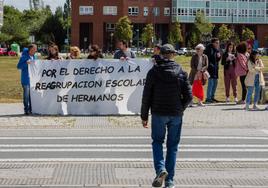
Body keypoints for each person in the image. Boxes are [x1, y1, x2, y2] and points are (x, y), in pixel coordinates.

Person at [141, 44, 192, 188]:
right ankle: (170, 181)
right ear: (173, 55)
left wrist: (144, 115)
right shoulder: (181, 71)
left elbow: (146, 96)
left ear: (161, 54)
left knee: (157, 142)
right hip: (176, 114)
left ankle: (160, 169)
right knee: (172, 146)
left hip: (158, 112)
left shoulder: (153, 72)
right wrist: (180, 108)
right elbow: (189, 96)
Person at [17, 44, 37, 115]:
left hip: (33, 80)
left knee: (32, 96)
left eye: (36, 49)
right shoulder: (24, 57)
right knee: (26, 96)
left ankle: (32, 109)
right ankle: (26, 109)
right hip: (25, 79)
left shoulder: (35, 56)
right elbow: (18, 66)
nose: (35, 50)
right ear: (30, 49)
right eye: (34, 49)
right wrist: (26, 63)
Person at [205, 38, 221, 103]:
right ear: (213, 43)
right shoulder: (209, 49)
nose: (218, 44)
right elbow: (207, 58)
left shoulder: (216, 50)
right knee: (211, 83)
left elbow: (217, 60)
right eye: (216, 43)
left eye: (218, 43)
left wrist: (219, 57)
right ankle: (208, 98)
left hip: (215, 68)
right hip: (210, 69)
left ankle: (212, 97)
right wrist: (210, 66)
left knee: (215, 82)